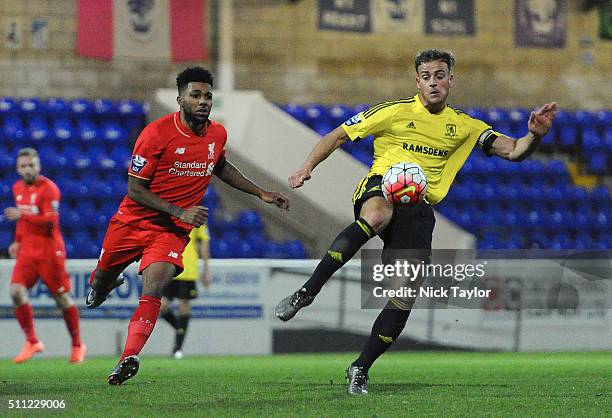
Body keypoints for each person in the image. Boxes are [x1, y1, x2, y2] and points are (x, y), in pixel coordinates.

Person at [275, 49, 557, 395]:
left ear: (451, 79)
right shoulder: (393, 112)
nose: (433, 82)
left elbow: (513, 150)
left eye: (440, 75)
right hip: (381, 186)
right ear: (417, 80)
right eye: (426, 76)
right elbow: (337, 135)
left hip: (420, 207)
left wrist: (536, 135)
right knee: (377, 214)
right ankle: (307, 292)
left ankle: (360, 368)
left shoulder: (465, 126)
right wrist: (307, 168)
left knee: (403, 297)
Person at [86, 67, 289, 385]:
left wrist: (261, 192)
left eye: (208, 96)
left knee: (154, 287)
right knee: (99, 282)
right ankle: (102, 286)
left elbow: (220, 166)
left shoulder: (217, 134)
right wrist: (179, 210)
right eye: (196, 95)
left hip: (171, 231)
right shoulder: (155, 134)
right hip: (133, 221)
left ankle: (129, 356)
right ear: (180, 99)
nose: (203, 101)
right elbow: (135, 189)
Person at [5, 148, 87, 364]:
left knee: (62, 299)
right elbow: (23, 223)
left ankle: (78, 344)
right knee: (15, 292)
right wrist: (17, 240)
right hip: (28, 251)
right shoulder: (17, 188)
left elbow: (50, 223)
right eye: (23, 166)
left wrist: (23, 214)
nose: (27, 169)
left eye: (31, 165)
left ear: (38, 166)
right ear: (17, 168)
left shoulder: (49, 189)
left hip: (50, 251)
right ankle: (32, 341)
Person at [160, 223, 211, 359]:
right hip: (170, 265)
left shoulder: (197, 215)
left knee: (184, 306)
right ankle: (180, 330)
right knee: (162, 306)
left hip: (188, 268)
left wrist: (206, 270)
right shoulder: (171, 211)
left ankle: (178, 348)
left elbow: (204, 242)